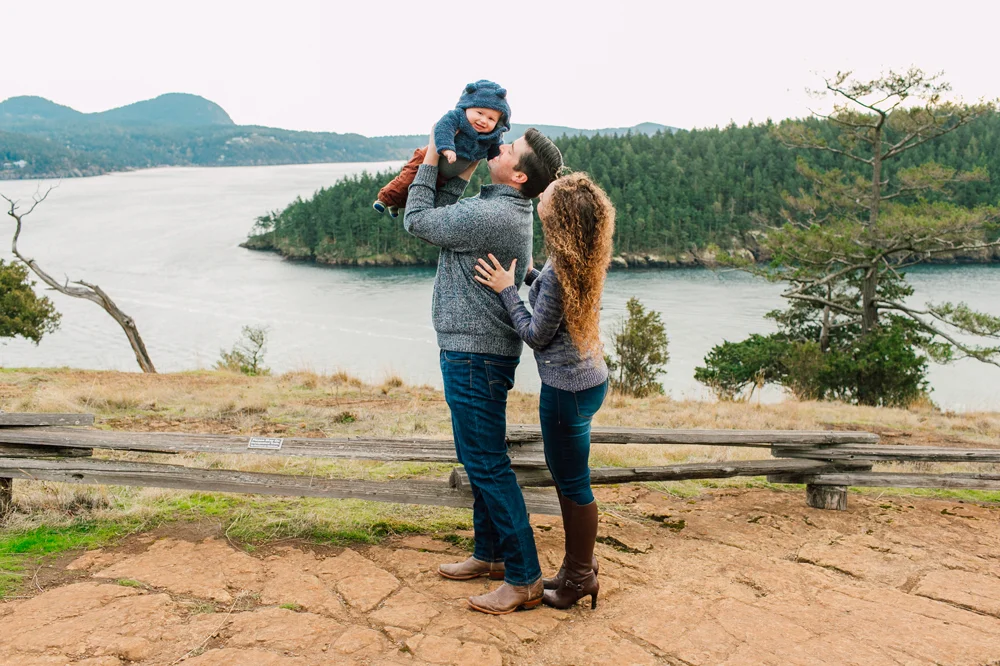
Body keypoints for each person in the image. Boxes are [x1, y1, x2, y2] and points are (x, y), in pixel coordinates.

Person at [402, 124, 563, 614]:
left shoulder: (492, 214)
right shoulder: (502, 208)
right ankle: (490, 554)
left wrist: (433, 156)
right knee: (481, 458)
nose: (501, 144)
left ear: (516, 174)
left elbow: (418, 219)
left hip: (474, 355)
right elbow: (446, 213)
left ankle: (524, 577)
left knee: (488, 463)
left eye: (509, 148)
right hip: (478, 351)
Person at [473, 172, 616, 610]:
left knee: (573, 485)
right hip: (590, 381)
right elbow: (553, 294)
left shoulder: (559, 272)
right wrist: (530, 273)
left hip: (565, 392)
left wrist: (506, 291)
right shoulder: (584, 255)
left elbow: (536, 334)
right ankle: (576, 569)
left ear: (561, 219)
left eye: (548, 199)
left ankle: (578, 577)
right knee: (572, 482)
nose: (541, 197)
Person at [373, 80, 511, 217]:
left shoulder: (492, 136)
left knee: (425, 192)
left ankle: (397, 204)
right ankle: (384, 199)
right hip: (427, 159)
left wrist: (498, 163)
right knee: (407, 180)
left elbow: (495, 152)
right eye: (479, 113)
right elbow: (443, 128)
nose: (483, 120)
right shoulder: (457, 117)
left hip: (446, 175)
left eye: (491, 119)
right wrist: (447, 148)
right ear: (467, 107)